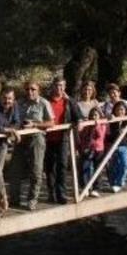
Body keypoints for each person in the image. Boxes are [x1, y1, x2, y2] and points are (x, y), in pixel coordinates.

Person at [8, 81, 54, 210]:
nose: (30, 92)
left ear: (38, 90)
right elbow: (12, 119)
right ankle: (14, 199)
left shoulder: (43, 103)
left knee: (36, 170)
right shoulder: (19, 103)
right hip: (20, 138)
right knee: (15, 169)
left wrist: (35, 125)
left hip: (36, 138)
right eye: (27, 89)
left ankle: (32, 199)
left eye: (33, 89)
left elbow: (51, 123)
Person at [44, 76, 83, 204]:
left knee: (62, 165)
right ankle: (51, 193)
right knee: (50, 167)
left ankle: (61, 193)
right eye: (57, 85)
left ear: (64, 87)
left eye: (61, 85)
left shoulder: (69, 101)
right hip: (48, 139)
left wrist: (79, 122)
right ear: (52, 86)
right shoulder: (46, 101)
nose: (59, 88)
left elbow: (77, 115)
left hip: (63, 138)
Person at [0, 87, 20, 211]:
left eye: (10, 98)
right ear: (0, 97)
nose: (7, 101)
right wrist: (10, 130)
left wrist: (11, 129)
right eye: (4, 98)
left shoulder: (14, 107)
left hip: (3, 144)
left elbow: (17, 122)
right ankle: (3, 197)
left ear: (13, 99)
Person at [78, 107, 107, 197]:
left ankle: (96, 188)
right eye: (92, 115)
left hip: (98, 149)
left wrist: (97, 125)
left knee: (97, 169)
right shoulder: (87, 124)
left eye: (96, 115)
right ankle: (85, 187)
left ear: (99, 116)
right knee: (84, 167)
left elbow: (100, 135)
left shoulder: (102, 124)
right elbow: (81, 135)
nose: (94, 117)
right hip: (87, 149)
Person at [107, 102, 127, 193]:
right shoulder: (112, 120)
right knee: (113, 166)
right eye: (117, 109)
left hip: (123, 146)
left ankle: (119, 183)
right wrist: (110, 117)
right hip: (112, 145)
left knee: (125, 164)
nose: (120, 111)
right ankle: (113, 183)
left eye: (122, 109)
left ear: (125, 111)